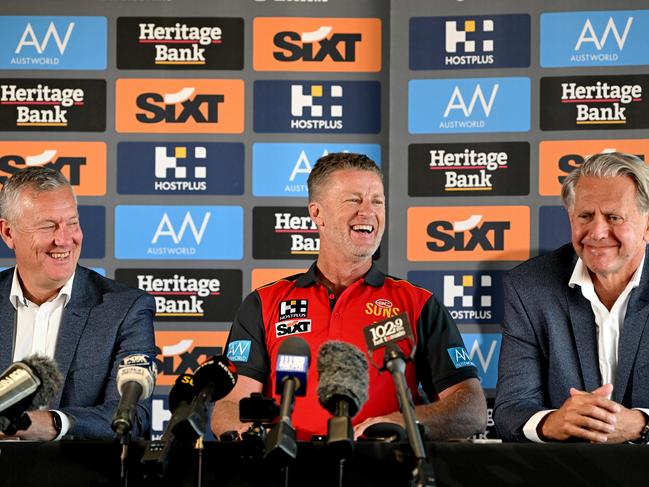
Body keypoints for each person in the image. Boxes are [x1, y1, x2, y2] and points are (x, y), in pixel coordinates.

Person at [212, 152, 486, 441]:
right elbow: (230, 405)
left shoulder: (417, 304)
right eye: (354, 200)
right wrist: (252, 434)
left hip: (385, 470)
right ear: (317, 213)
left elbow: (472, 409)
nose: (368, 212)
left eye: (377, 201)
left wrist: (402, 421)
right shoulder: (265, 302)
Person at [494, 151, 649, 443]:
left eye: (614, 217)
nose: (597, 232)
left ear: (647, 225)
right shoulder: (529, 287)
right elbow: (509, 410)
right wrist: (553, 422)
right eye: (585, 216)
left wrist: (642, 423)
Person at [0, 166, 156, 440]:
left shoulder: (124, 310)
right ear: (8, 233)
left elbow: (132, 416)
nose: (64, 239)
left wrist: (54, 424)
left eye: (72, 223)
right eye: (48, 225)